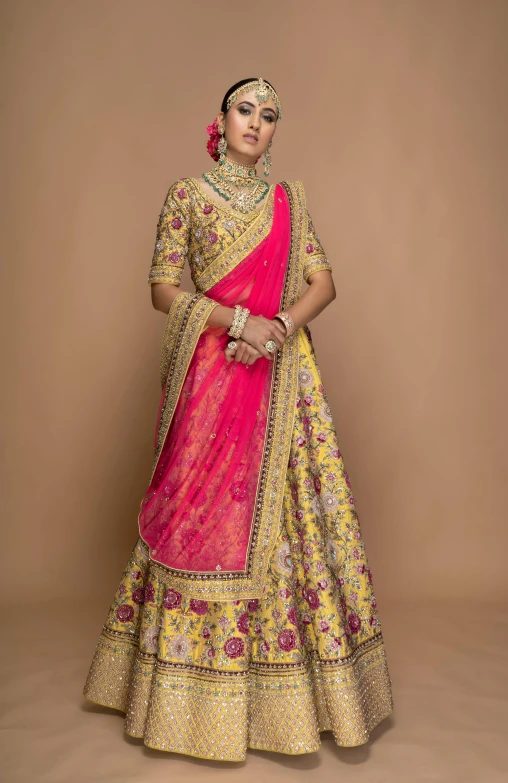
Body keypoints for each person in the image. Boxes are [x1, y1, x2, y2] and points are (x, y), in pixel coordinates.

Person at [83, 77, 393, 761]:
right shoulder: (187, 196)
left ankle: (285, 701)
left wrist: (278, 325)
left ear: (275, 131)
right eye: (245, 109)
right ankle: (188, 701)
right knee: (202, 517)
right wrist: (241, 321)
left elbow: (324, 281)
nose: (256, 122)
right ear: (218, 121)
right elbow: (165, 288)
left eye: (269, 115)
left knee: (290, 522)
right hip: (214, 373)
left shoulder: (289, 203)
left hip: (283, 377)